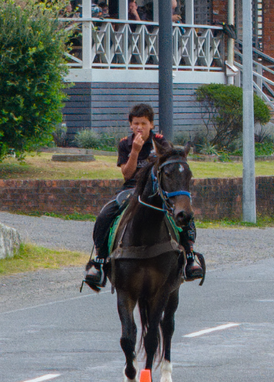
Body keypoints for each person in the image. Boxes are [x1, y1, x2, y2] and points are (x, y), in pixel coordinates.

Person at [83, 103, 204, 292]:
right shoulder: (125, 143)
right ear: (131, 125)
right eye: (136, 123)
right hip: (132, 188)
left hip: (155, 189)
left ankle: (189, 257)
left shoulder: (161, 142)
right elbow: (127, 174)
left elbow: (169, 168)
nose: (140, 127)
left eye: (144, 123)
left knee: (184, 213)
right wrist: (135, 152)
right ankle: (98, 262)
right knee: (105, 214)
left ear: (151, 125)